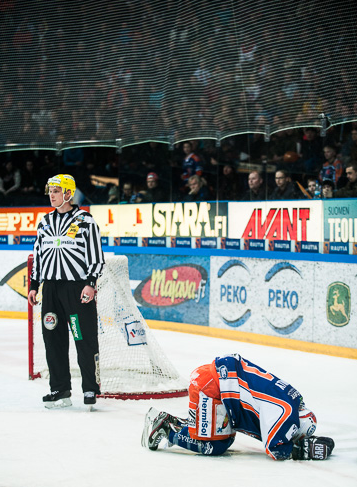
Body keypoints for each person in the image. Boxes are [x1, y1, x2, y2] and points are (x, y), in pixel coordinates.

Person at [142, 353, 335, 461]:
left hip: (218, 384)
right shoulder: (286, 412)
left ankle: (182, 425)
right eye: (298, 435)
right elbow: (275, 450)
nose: (293, 436)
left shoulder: (293, 401)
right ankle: (166, 428)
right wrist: (303, 451)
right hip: (210, 386)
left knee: (224, 438)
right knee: (214, 446)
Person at [28, 174, 105, 409]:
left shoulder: (85, 221)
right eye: (50, 191)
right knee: (53, 339)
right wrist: (34, 285)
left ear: (68, 194)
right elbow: (39, 255)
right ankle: (60, 389)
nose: (51, 195)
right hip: (50, 289)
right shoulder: (44, 222)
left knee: (84, 339)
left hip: (77, 289)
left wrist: (90, 283)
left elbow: (96, 256)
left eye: (56, 191)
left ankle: (90, 389)